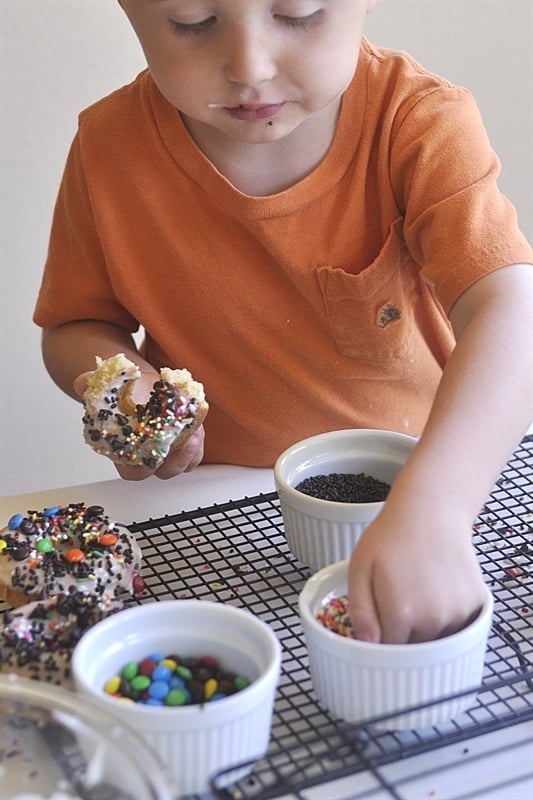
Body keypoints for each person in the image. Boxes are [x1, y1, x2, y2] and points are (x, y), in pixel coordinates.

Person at [34, 0, 532, 644]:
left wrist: (439, 507)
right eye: (192, 22)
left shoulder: (415, 122)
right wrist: (125, 394)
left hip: (430, 491)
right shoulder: (107, 149)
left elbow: (511, 305)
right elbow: (75, 326)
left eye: (299, 14)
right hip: (216, 512)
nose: (250, 67)